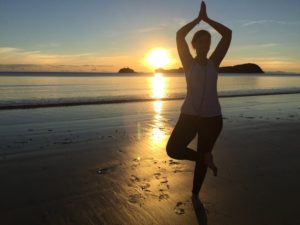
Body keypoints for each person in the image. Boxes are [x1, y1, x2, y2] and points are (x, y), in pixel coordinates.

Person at [166, 1, 232, 196]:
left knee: (204, 151)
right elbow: (179, 35)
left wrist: (208, 19)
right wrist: (197, 20)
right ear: (194, 45)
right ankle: (204, 159)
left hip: (212, 119)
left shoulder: (214, 62)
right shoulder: (188, 63)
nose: (205, 44)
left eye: (208, 41)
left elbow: (227, 34)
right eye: (201, 41)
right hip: (189, 116)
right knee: (173, 150)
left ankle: (195, 195)